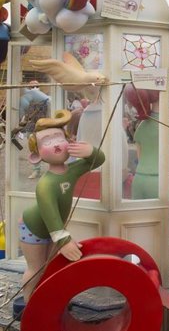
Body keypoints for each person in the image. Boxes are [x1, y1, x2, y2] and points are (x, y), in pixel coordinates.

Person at [20, 110, 106, 301]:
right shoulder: (45, 185)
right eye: (47, 142)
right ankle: (29, 305)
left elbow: (98, 160)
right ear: (36, 155)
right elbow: (51, 217)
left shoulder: (71, 171)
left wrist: (91, 151)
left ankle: (45, 300)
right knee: (35, 268)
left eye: (58, 138)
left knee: (49, 267)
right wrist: (64, 241)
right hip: (33, 228)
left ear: (69, 142)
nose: (56, 145)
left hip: (53, 230)